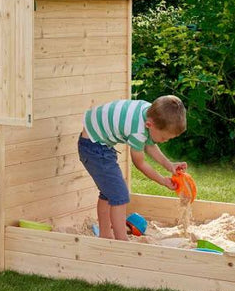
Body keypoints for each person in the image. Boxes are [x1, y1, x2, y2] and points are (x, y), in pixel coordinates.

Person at [78, 95, 187, 241]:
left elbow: (150, 145)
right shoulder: (137, 129)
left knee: (109, 192)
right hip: (93, 147)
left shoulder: (151, 112)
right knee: (120, 195)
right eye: (163, 138)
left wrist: (169, 166)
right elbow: (140, 163)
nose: (165, 141)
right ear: (150, 125)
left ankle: (105, 235)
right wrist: (162, 181)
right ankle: (122, 241)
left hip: (98, 142)